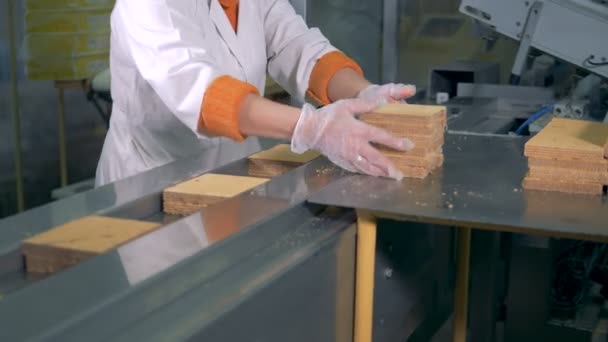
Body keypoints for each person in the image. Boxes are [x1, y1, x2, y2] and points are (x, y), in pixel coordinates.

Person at [95, 0, 417, 187]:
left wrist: (364, 93)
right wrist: (312, 128)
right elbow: (201, 94)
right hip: (151, 183)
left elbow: (297, 46)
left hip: (229, 173)